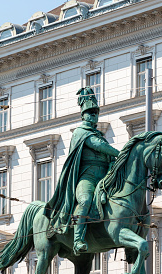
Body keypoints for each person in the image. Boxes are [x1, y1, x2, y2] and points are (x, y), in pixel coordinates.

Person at [44, 87, 119, 255]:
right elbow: (98, 146)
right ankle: (78, 239)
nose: (93, 115)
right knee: (85, 200)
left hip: (105, 176)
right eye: (89, 112)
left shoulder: (98, 134)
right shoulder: (81, 133)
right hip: (88, 176)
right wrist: (121, 154)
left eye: (95, 112)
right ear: (83, 115)